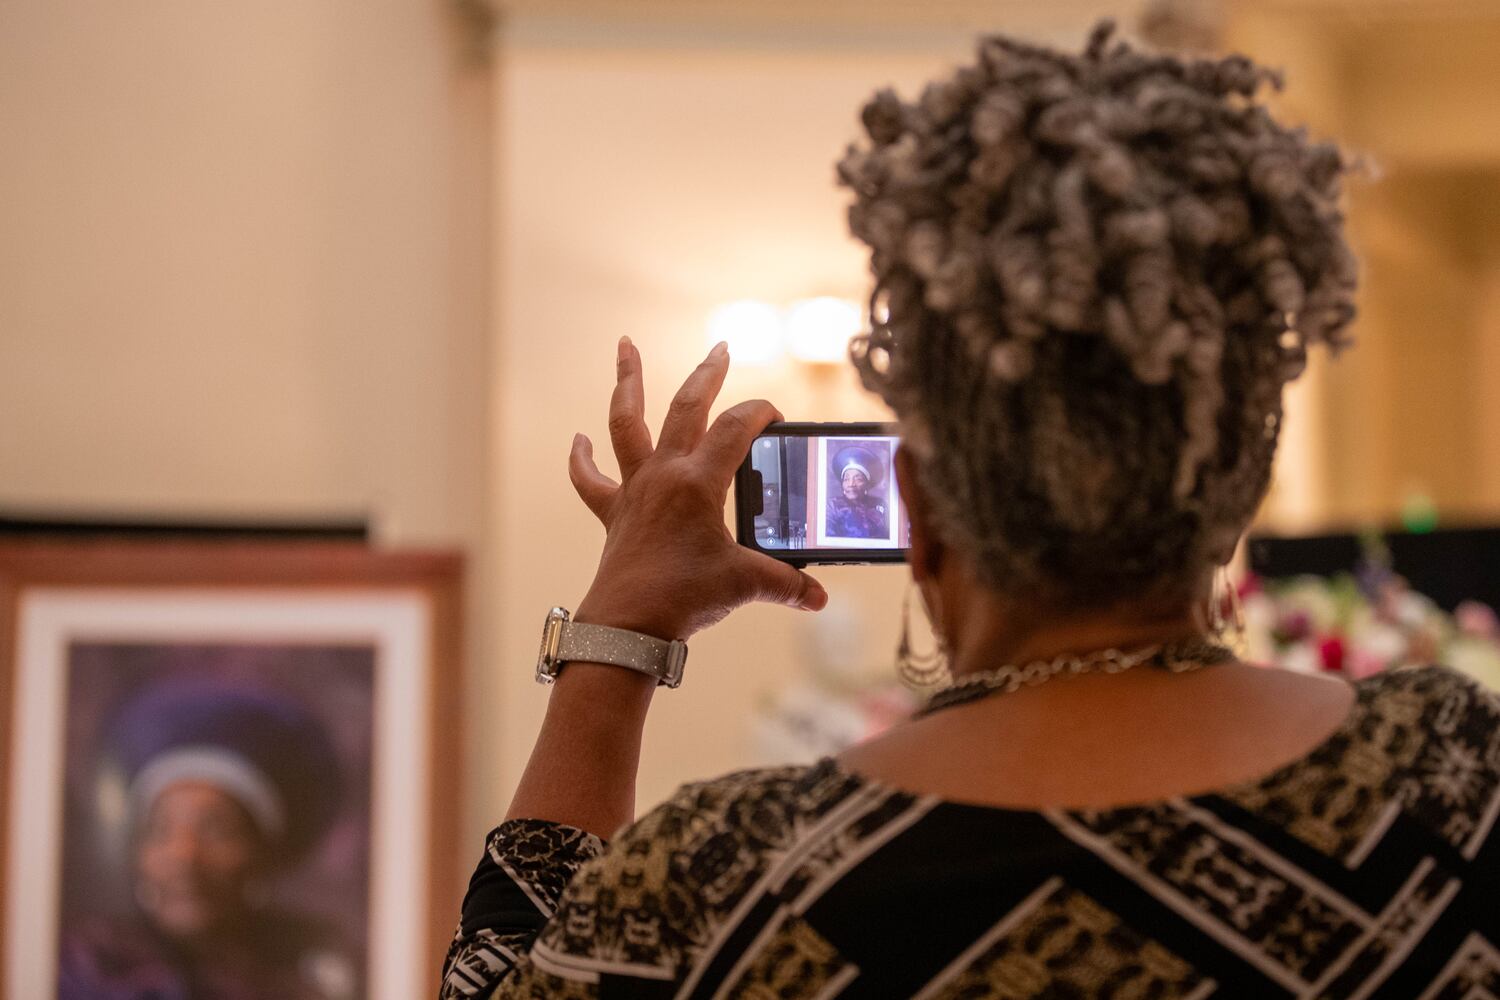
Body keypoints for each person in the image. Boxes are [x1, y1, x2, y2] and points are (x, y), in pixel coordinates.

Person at [442, 23, 1499, 998]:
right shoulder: (1456, 780)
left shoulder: (726, 886)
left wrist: (617, 635)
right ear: (1238, 488)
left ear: (921, 502)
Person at [59, 682, 360, 1000]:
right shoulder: (87, 967)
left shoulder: (313, 969)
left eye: (215, 831)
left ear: (263, 854)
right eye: (160, 830)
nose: (183, 854)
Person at [826, 445, 890, 540]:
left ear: (867, 484)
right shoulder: (832, 505)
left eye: (858, 479)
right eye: (846, 479)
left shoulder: (880, 505)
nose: (851, 484)